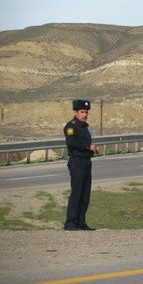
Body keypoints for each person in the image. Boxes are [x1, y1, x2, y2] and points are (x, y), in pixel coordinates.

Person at [63, 99, 100, 231]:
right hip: (77, 162)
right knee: (77, 193)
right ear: (76, 112)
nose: (85, 115)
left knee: (85, 194)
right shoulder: (71, 127)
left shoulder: (84, 127)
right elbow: (72, 144)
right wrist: (87, 146)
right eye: (82, 112)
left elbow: (85, 145)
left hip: (86, 162)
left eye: (86, 112)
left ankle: (81, 222)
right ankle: (70, 222)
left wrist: (92, 149)